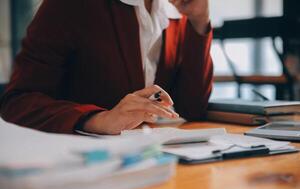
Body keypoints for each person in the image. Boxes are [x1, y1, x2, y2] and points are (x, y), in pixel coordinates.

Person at [0, 0, 213, 135]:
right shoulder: (71, 5)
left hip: (152, 158)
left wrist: (199, 19)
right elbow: (17, 102)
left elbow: (192, 107)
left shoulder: (177, 11)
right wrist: (98, 120)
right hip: (85, 167)